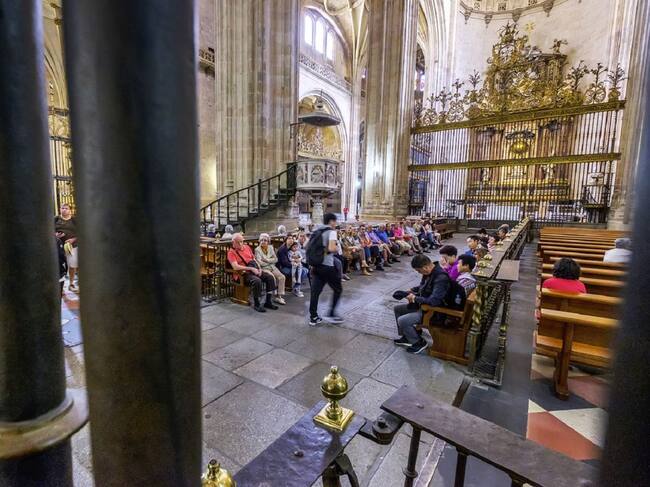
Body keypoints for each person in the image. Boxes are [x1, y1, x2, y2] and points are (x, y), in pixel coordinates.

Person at [392, 254, 452, 354]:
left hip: (434, 312)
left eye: (419, 271)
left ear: (425, 267)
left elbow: (434, 301)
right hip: (424, 306)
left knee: (402, 320)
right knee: (398, 309)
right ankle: (408, 337)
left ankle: (418, 342)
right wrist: (412, 290)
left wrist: (415, 298)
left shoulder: (441, 277)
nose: (419, 273)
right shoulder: (429, 272)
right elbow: (422, 286)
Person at [306, 213, 343, 326]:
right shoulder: (331, 232)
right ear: (331, 221)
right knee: (338, 289)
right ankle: (331, 314)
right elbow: (332, 248)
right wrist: (337, 247)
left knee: (315, 292)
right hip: (327, 266)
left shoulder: (316, 231)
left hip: (316, 265)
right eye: (335, 221)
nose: (335, 224)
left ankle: (313, 317)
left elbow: (307, 246)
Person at [227, 233, 278, 312]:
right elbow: (235, 267)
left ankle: (268, 302)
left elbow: (254, 259)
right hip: (242, 274)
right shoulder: (231, 252)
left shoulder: (247, 247)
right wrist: (251, 268)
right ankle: (257, 304)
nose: (240, 244)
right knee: (257, 281)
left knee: (270, 277)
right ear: (233, 242)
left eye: (241, 241)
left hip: (254, 270)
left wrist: (259, 268)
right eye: (238, 242)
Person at [255, 233, 286, 305]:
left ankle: (279, 296)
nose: (263, 242)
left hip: (272, 267)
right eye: (261, 240)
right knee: (272, 278)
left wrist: (266, 260)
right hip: (264, 268)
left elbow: (276, 259)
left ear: (268, 241)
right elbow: (260, 263)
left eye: (265, 240)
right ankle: (270, 298)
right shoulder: (257, 250)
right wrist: (270, 261)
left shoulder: (270, 247)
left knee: (282, 277)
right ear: (259, 241)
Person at [54, 203, 79, 293]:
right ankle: (61, 286)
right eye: (62, 208)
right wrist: (55, 235)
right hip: (58, 247)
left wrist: (73, 239)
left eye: (66, 208)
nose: (64, 210)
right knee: (60, 267)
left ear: (70, 210)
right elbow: (49, 230)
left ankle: (71, 284)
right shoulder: (56, 219)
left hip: (72, 246)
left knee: (72, 265)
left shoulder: (74, 220)